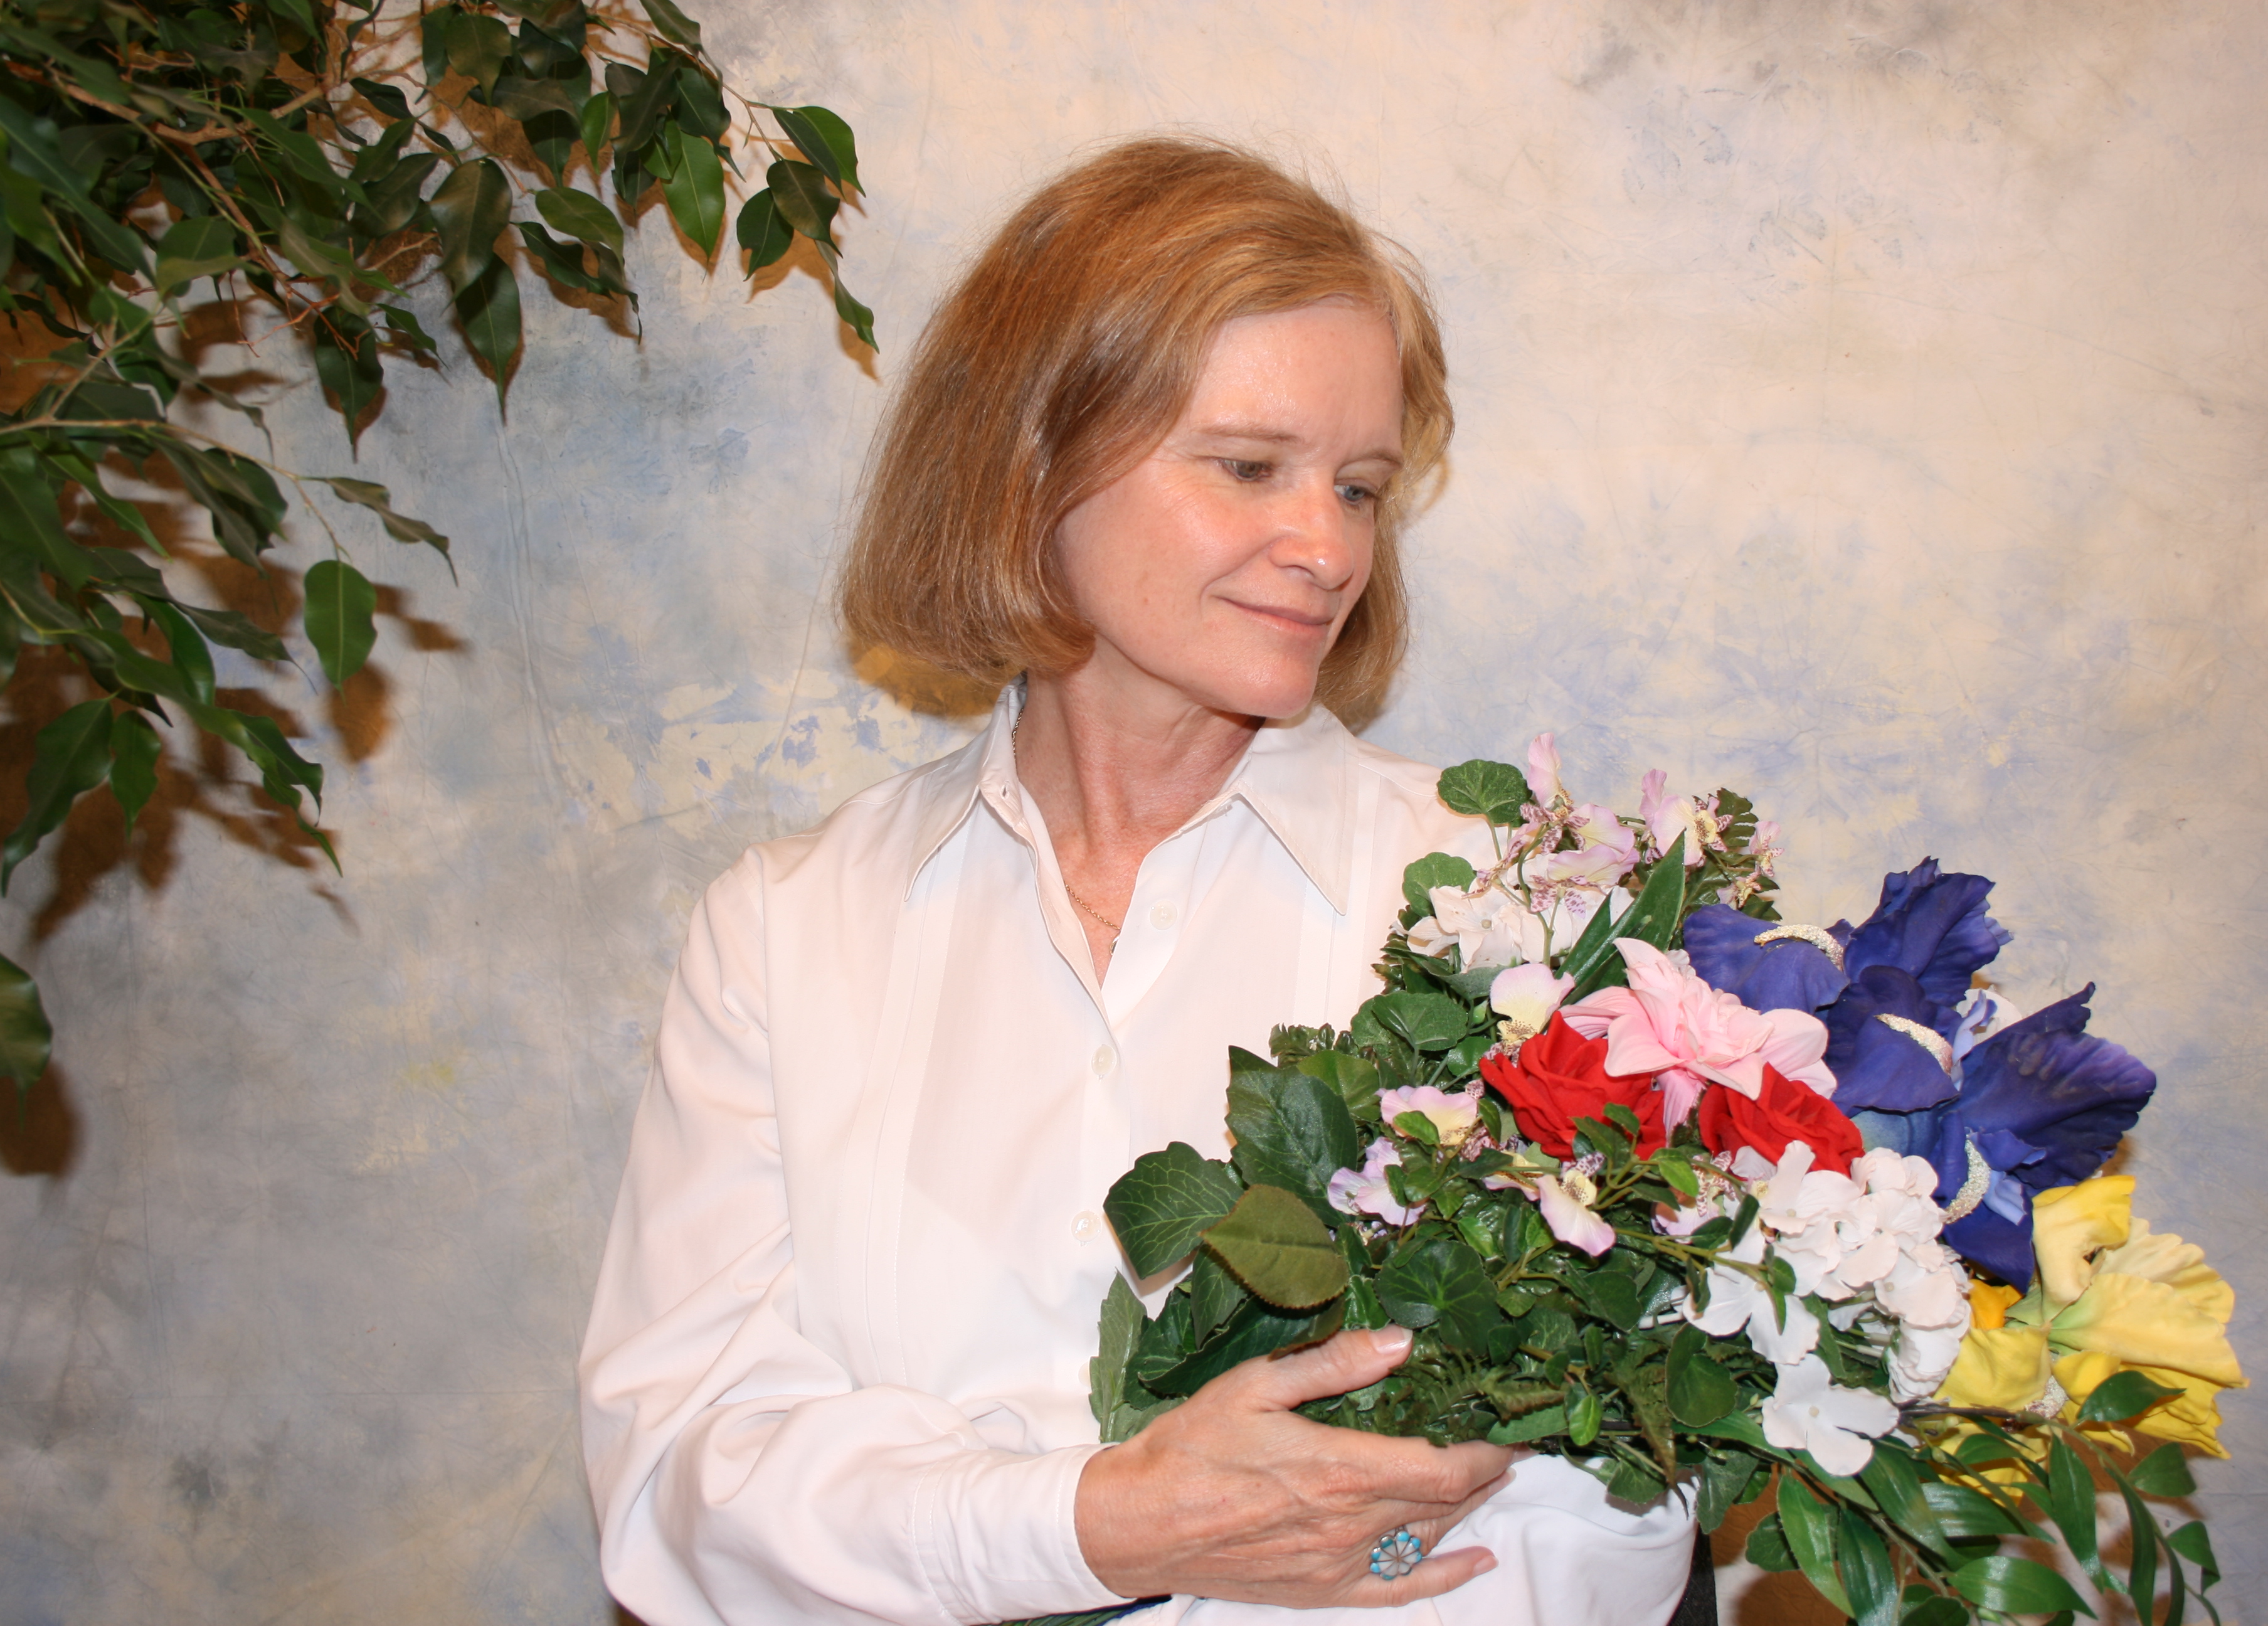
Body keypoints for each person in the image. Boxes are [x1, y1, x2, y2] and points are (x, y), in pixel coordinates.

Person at [578, 137, 1700, 1626]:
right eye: (1249, 468)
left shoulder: (1526, 913)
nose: (1328, 548)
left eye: (1360, 487)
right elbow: (685, 1484)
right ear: (1030, 461)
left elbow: (1612, 1511)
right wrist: (1103, 1527)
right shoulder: (788, 934)